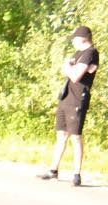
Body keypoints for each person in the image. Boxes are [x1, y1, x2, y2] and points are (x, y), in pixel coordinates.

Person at [37, 26, 100, 187]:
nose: (72, 42)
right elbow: (67, 68)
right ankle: (53, 170)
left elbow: (75, 75)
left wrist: (69, 67)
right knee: (61, 135)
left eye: (74, 39)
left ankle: (77, 174)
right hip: (66, 97)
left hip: (78, 99)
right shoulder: (78, 54)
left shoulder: (91, 53)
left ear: (82, 38)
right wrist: (69, 66)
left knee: (76, 136)